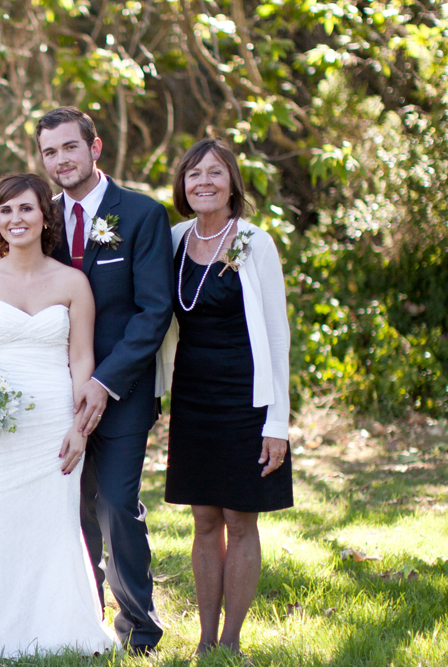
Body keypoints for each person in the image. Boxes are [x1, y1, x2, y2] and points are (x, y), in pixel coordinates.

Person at [0, 174, 116, 657]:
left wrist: (79, 426)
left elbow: (81, 359)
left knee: (54, 521)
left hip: (53, 420)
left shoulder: (72, 281)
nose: (15, 219)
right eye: (5, 210)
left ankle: (59, 624)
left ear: (45, 216)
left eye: (25, 209)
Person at [37, 106, 173, 653]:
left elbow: (153, 310)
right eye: (49, 152)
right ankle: (83, 620)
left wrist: (105, 381)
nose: (60, 160)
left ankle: (138, 625)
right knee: (71, 507)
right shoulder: (38, 216)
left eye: (70, 147)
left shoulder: (140, 215)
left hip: (121, 392)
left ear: (94, 148)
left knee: (115, 506)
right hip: (52, 395)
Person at [159, 137, 292, 657]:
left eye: (215, 173)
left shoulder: (255, 242)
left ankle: (232, 643)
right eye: (194, 175)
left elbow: (277, 337)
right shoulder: (173, 240)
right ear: (183, 186)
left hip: (247, 398)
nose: (204, 183)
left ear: (232, 182)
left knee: (240, 518)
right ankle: (204, 639)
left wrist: (276, 421)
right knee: (203, 518)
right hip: (192, 396)